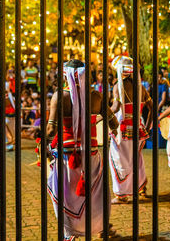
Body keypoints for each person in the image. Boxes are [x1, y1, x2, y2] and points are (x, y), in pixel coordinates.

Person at [46, 59, 119, 240]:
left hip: (66, 157)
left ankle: (70, 233)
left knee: (67, 197)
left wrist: (43, 142)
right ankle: (97, 226)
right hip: (91, 156)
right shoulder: (95, 96)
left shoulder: (59, 96)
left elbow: (51, 130)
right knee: (93, 196)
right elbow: (113, 122)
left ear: (65, 75)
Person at [109, 56, 153, 204]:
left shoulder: (118, 87)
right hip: (139, 128)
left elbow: (115, 108)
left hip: (123, 130)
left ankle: (122, 194)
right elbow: (152, 108)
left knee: (118, 159)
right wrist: (147, 126)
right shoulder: (141, 87)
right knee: (136, 158)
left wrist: (100, 114)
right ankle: (141, 188)